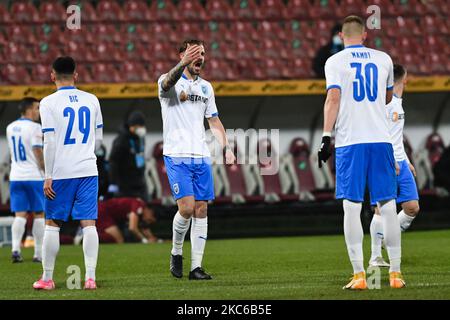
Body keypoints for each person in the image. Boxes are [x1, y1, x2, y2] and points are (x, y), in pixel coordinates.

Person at [317, 16, 405, 289]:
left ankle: (359, 276)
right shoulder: (384, 59)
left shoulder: (334, 62)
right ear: (365, 34)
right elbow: (388, 97)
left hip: (350, 142)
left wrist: (326, 136)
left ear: (342, 36)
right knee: (388, 206)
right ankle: (395, 275)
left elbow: (333, 98)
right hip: (380, 139)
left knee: (352, 207)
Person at [158, 39, 236, 280]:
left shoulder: (206, 88)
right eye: (195, 52)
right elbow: (167, 82)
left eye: (202, 53)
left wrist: (226, 147)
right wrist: (182, 63)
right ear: (182, 55)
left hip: (201, 155)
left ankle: (196, 267)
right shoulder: (168, 82)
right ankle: (176, 251)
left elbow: (213, 120)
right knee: (187, 208)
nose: (200, 57)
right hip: (177, 154)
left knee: (202, 209)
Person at [33, 56, 103, 290]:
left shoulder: (48, 102)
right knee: (89, 224)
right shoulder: (92, 99)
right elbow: (99, 141)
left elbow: (49, 141)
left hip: (61, 172)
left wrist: (48, 175)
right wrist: (84, 154)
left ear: (52, 76)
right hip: (88, 169)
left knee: (53, 223)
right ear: (76, 75)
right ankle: (90, 278)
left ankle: (47, 278)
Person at [369, 65, 420, 268]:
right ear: (405, 79)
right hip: (385, 162)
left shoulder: (398, 103)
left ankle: (384, 238)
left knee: (412, 208)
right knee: (381, 209)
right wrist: (389, 160)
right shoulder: (385, 104)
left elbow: (395, 137)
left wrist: (406, 161)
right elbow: (380, 135)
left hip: (401, 162)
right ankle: (375, 257)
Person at [6, 97, 45, 263]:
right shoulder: (36, 127)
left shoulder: (10, 127)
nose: (38, 112)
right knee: (39, 214)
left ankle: (15, 249)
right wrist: (46, 170)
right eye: (37, 108)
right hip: (34, 176)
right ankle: (37, 253)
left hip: (16, 176)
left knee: (20, 214)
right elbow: (37, 151)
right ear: (29, 109)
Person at [108, 111, 149, 202]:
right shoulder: (121, 140)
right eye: (140, 126)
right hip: (124, 185)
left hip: (140, 182)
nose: (142, 128)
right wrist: (113, 183)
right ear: (133, 126)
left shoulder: (140, 138)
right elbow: (113, 162)